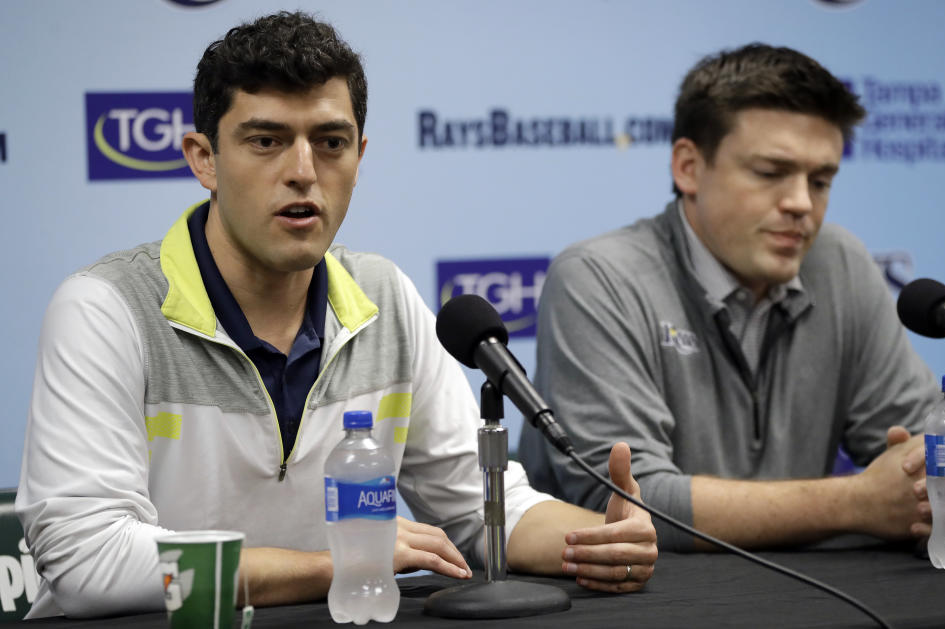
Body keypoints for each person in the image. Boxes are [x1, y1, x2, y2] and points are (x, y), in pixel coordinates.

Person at [16, 11, 656, 618]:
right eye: (266, 141)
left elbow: (480, 510)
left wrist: (596, 538)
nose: (303, 172)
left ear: (359, 155)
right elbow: (85, 558)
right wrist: (332, 565)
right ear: (203, 158)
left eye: (330, 143)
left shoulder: (385, 297)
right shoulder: (106, 309)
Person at [518, 43, 941, 552]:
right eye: (770, 173)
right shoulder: (600, 278)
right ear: (689, 167)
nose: (802, 204)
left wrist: (927, 478)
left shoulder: (840, 262)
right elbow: (627, 501)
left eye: (821, 180)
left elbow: (925, 450)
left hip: (818, 597)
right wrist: (856, 502)